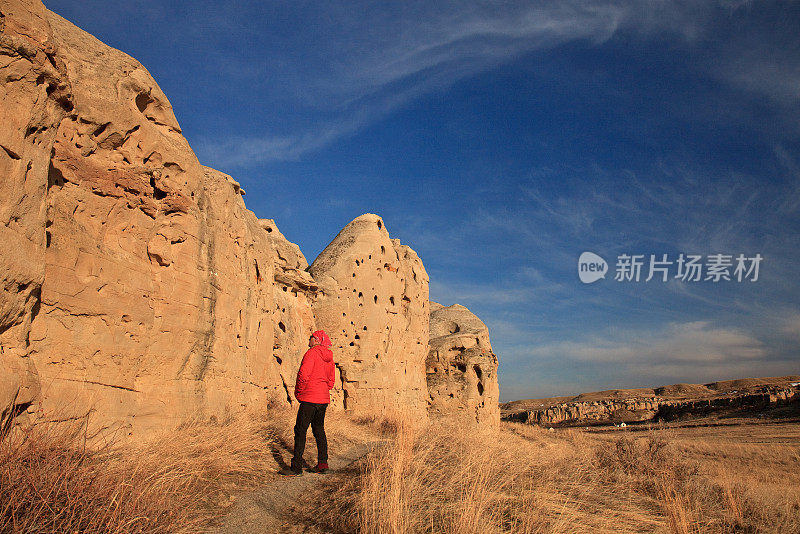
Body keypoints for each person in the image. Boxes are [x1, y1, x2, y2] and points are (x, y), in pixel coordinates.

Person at [280, 330, 335, 476]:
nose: (308, 340)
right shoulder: (329, 357)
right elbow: (331, 382)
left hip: (310, 397)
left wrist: (299, 392)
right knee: (319, 430)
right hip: (323, 399)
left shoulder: (311, 353)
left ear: (316, 340)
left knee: (300, 430)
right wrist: (322, 389)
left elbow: (303, 374)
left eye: (310, 337)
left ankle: (296, 467)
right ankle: (323, 464)